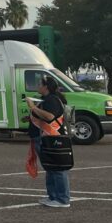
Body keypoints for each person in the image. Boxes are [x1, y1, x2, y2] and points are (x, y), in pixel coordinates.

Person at [27, 76, 71, 208]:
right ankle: (53, 196)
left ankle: (62, 199)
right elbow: (45, 115)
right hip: (45, 138)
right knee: (50, 167)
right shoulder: (48, 99)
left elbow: (50, 116)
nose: (37, 86)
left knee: (57, 168)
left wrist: (33, 108)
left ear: (46, 86)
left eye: (40, 84)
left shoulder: (52, 99)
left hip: (51, 138)